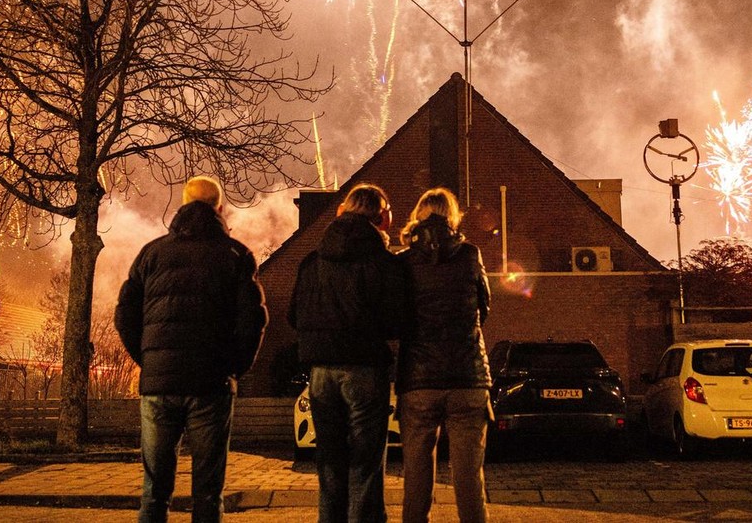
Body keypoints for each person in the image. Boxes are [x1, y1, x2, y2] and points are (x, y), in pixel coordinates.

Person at [116, 176, 267, 523]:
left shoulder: (151, 253)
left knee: (154, 491)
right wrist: (233, 368)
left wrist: (150, 359)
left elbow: (124, 313)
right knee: (208, 491)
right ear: (220, 208)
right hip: (211, 384)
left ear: (182, 205)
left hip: (158, 386)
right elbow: (253, 321)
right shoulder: (235, 255)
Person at [288, 183, 406, 523]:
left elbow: (294, 315)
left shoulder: (312, 261)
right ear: (380, 218)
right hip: (365, 367)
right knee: (366, 463)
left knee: (329, 462)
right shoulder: (383, 263)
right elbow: (398, 319)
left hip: (321, 372)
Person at [395, 187, 491, 523]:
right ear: (452, 215)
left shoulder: (404, 262)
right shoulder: (470, 254)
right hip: (468, 377)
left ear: (419, 215)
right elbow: (484, 307)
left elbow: (398, 315)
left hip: (419, 378)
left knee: (416, 478)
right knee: (469, 479)